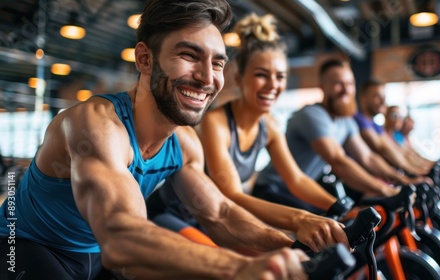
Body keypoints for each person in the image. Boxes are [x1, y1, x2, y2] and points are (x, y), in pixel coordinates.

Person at [0, 1, 311, 279]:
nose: (207, 78)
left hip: (97, 256)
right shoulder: (96, 124)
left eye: (217, 63)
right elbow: (121, 235)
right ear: (145, 59)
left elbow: (220, 214)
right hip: (26, 247)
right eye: (189, 55)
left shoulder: (185, 144)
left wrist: (297, 240)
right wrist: (240, 268)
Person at [147, 13, 349, 254]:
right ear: (240, 79)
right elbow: (231, 194)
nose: (273, 85)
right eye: (262, 75)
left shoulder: (269, 126)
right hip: (173, 217)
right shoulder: (217, 122)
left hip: (221, 221)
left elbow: (296, 179)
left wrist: (341, 207)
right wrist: (302, 218)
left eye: (280, 76)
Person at [253, 58, 418, 209]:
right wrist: (385, 191)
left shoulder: (345, 121)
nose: (346, 90)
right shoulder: (312, 115)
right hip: (272, 191)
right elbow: (338, 161)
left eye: (350, 83)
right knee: (331, 227)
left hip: (300, 190)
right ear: (323, 86)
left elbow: (367, 158)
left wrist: (403, 182)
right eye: (338, 83)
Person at [355, 80, 434, 176]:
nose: (383, 102)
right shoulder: (359, 120)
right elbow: (382, 148)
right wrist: (413, 172)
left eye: (384, 97)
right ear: (363, 98)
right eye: (377, 97)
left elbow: (396, 149)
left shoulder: (375, 125)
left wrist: (421, 167)